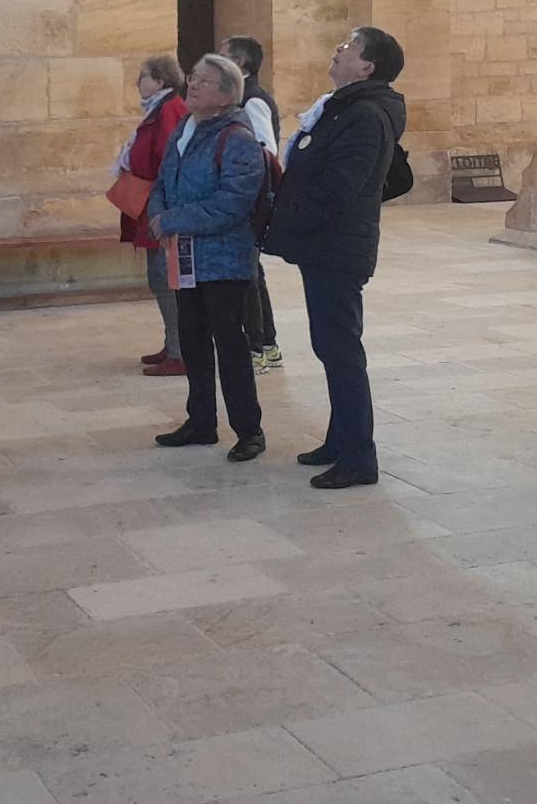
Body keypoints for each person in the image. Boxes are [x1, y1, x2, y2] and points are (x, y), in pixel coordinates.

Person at [262, 27, 407, 489]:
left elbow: (340, 188)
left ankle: (359, 458)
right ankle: (340, 440)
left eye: (349, 47)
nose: (338, 50)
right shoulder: (344, 107)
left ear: (368, 66)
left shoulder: (364, 115)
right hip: (325, 244)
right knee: (331, 346)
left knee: (341, 350)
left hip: (337, 247)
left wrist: (285, 215)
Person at [148, 53, 267, 462]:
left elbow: (233, 203)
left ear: (227, 95)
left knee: (230, 345)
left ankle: (249, 430)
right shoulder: (185, 127)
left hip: (224, 261)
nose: (193, 85)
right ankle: (201, 420)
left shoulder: (238, 138)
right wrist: (158, 214)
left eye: (205, 81)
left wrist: (172, 219)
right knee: (193, 340)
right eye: (193, 77)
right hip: (185, 256)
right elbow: (163, 181)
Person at [116, 55, 189, 377]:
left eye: (143, 76)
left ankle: (180, 351)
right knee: (159, 278)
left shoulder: (169, 110)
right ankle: (172, 343)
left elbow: (167, 161)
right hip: (151, 204)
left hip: (161, 207)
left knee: (165, 279)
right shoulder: (159, 109)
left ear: (160, 81)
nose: (137, 82)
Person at [220, 35, 283, 375]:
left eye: (222, 55)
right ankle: (267, 345)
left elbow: (264, 152)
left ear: (240, 63)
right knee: (251, 274)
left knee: (247, 277)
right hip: (245, 202)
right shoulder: (239, 97)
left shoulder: (253, 100)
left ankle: (257, 348)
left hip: (250, 203)